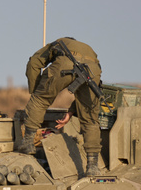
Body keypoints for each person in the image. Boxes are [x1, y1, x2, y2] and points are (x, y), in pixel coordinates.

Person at [19, 37, 103, 176]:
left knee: (40, 100)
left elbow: (34, 63)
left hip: (65, 64)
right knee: (90, 119)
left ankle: (28, 143)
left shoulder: (58, 43)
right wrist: (72, 111)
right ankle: (92, 166)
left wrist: (36, 91)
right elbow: (88, 98)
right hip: (92, 70)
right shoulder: (89, 50)